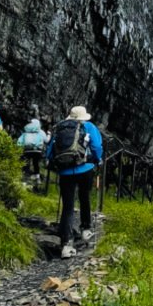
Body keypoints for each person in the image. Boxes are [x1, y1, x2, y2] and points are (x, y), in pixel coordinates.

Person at [46, 105, 103, 258]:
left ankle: (66, 244)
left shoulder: (60, 127)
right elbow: (96, 146)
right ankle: (86, 230)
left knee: (68, 206)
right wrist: (97, 160)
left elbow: (49, 151)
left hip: (65, 171)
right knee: (84, 197)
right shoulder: (89, 126)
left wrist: (58, 164)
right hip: (85, 168)